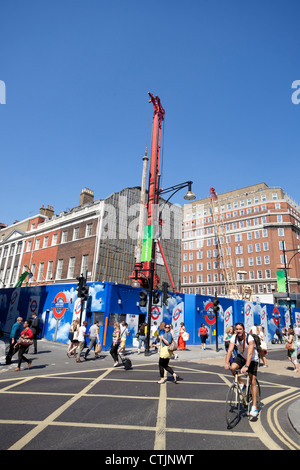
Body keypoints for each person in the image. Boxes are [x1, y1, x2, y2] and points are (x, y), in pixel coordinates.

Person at [224, 322, 259, 418]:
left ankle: (254, 407)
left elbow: (250, 353)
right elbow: (230, 350)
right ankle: (242, 383)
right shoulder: (234, 337)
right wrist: (226, 362)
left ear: (243, 329)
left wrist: (247, 366)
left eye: (240, 329)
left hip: (252, 359)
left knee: (252, 381)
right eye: (237, 329)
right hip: (242, 356)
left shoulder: (249, 338)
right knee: (233, 367)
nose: (238, 331)